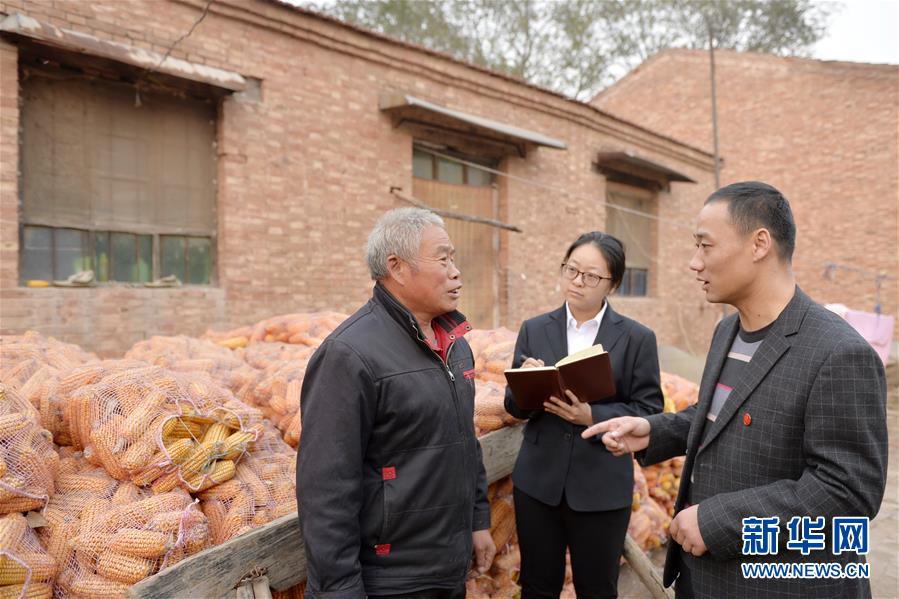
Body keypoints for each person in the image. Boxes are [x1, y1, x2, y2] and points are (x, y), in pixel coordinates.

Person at [583, 182, 888, 599]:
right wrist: (656, 431)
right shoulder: (729, 330)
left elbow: (848, 492)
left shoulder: (838, 352)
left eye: (705, 246)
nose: (694, 262)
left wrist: (720, 521)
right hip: (703, 578)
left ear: (759, 243)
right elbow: (721, 416)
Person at [297, 207, 495, 599]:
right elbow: (326, 488)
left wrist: (477, 519)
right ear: (397, 267)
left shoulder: (455, 346)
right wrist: (339, 590)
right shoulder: (349, 355)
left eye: (453, 258)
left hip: (446, 570)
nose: (456, 271)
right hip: (389, 580)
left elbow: (464, 443)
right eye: (443, 258)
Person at [504, 231, 664, 599]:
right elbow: (515, 407)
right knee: (537, 585)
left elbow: (649, 409)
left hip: (601, 486)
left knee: (596, 588)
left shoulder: (637, 338)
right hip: (538, 483)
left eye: (591, 276)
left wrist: (593, 415)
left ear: (613, 283)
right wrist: (526, 383)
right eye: (571, 270)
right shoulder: (535, 328)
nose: (577, 281)